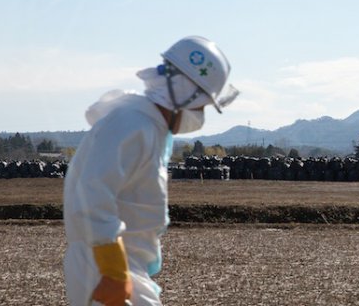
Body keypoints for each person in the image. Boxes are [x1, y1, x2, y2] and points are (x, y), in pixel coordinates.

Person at [63, 36, 239, 306]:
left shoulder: (148, 126)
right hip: (103, 264)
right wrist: (113, 268)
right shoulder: (132, 124)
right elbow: (90, 193)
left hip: (121, 264)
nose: (200, 116)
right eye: (201, 106)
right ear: (184, 91)